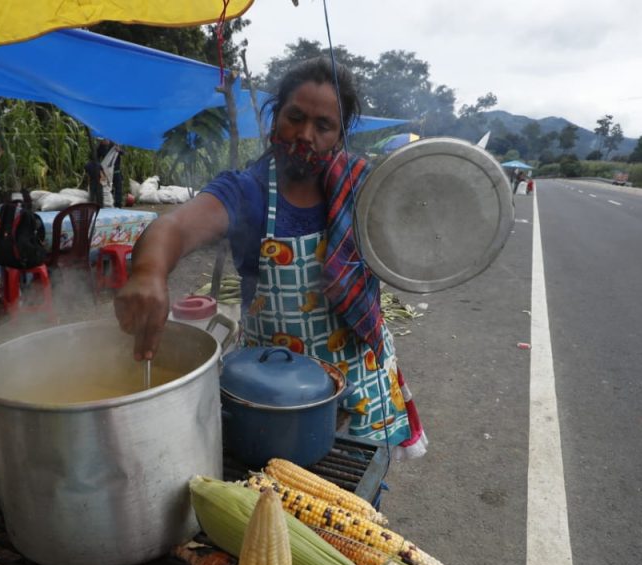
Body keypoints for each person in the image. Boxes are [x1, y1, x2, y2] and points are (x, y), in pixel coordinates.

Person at [115, 57, 426, 461]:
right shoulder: (248, 192)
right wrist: (147, 272)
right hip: (273, 398)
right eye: (295, 117)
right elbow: (174, 227)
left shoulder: (362, 189)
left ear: (341, 134)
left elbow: (417, 235)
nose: (305, 135)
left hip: (359, 383)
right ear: (275, 116)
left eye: (323, 126)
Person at [98, 139, 124, 208]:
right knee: (108, 188)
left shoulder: (114, 145)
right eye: (102, 141)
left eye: (104, 141)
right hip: (106, 172)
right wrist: (100, 170)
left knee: (118, 188)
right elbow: (97, 157)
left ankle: (118, 205)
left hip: (116, 171)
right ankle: (109, 204)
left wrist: (119, 150)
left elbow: (123, 153)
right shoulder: (100, 147)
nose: (103, 142)